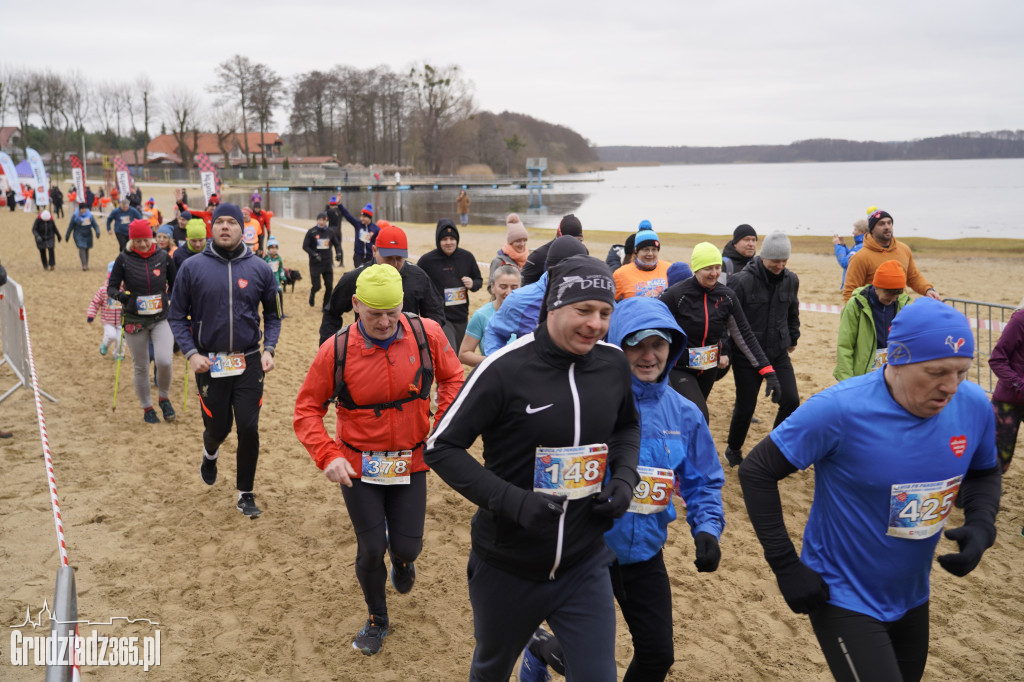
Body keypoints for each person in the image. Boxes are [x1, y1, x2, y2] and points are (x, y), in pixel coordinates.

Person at [738, 298, 1000, 682]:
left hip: (912, 595)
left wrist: (981, 524)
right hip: (842, 594)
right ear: (896, 359)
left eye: (961, 372)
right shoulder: (838, 410)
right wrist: (786, 566)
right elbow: (757, 471)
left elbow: (984, 472)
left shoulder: (974, 405)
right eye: (936, 371)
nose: (950, 387)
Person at [425, 255, 641, 682]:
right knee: (491, 670)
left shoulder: (613, 364)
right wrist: (513, 502)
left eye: (604, 313)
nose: (595, 324)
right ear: (552, 307)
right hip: (508, 565)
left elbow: (628, 426)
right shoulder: (504, 368)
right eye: (584, 311)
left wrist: (624, 477)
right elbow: (440, 447)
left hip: (585, 563)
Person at [521, 295, 726, 682]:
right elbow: (545, 468)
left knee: (657, 656)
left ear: (673, 347)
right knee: (584, 662)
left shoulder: (685, 413)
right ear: (616, 347)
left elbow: (704, 480)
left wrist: (708, 529)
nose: (649, 356)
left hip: (645, 554)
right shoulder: (586, 401)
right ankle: (540, 651)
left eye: (658, 344)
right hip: (586, 553)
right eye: (637, 345)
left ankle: (542, 649)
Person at [293, 264, 464, 656]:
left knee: (408, 548)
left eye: (393, 311)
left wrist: (440, 424)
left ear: (403, 302)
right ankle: (376, 618)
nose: (386, 322)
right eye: (375, 314)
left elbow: (453, 377)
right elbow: (306, 410)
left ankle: (402, 562)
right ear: (355, 305)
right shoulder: (335, 349)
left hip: (411, 460)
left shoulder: (427, 333)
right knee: (370, 548)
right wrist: (328, 456)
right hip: (359, 466)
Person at [168, 202, 282, 518]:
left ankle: (245, 493)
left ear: (241, 228)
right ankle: (210, 451)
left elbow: (273, 315)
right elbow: (175, 315)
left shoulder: (260, 268)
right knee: (219, 427)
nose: (225, 227)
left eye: (232, 222)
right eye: (220, 222)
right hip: (210, 363)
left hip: (248, 362)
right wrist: (191, 353)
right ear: (212, 227)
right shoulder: (191, 268)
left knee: (248, 427)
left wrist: (269, 349)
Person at [659, 242, 780, 423]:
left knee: (687, 419)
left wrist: (768, 371)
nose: (714, 273)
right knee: (700, 417)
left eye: (717, 267)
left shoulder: (727, 296)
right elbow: (653, 322)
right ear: (696, 268)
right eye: (708, 268)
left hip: (709, 369)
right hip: (680, 369)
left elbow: (744, 335)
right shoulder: (677, 294)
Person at [724, 232, 801, 467]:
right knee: (746, 407)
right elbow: (728, 321)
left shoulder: (791, 279)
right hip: (747, 355)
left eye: (784, 261)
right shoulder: (741, 281)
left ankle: (774, 447)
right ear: (764, 256)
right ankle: (734, 449)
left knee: (791, 401)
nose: (780, 265)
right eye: (775, 261)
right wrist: (726, 351)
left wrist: (792, 337)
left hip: (777, 352)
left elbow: (792, 312)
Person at [319, 223, 445, 345]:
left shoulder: (418, 277)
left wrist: (423, 343)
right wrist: (331, 348)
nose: (394, 264)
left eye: (399, 258)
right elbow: (332, 312)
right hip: (366, 349)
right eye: (388, 258)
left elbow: (435, 312)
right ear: (374, 251)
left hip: (407, 350)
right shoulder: (356, 277)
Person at [107, 219, 177, 423]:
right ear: (132, 241)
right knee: (141, 366)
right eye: (138, 241)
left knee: (165, 360)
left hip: (161, 317)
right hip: (134, 320)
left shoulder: (163, 257)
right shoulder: (123, 259)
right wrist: (123, 297)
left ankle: (164, 397)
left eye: (146, 240)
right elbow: (111, 287)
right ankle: (147, 408)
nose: (143, 245)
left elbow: (176, 284)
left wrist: (170, 298)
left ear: (151, 237)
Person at [483, 235, 588, 353]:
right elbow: (494, 331)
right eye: (569, 275)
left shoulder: (591, 298)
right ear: (550, 270)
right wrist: (500, 365)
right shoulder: (520, 298)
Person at [834, 260, 911, 381]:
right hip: (863, 376)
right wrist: (846, 381)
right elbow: (845, 346)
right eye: (889, 293)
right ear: (877, 286)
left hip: (893, 374)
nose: (892, 299)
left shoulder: (904, 305)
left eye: (897, 294)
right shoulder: (855, 306)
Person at [843, 210, 941, 303]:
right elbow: (850, 291)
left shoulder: (904, 249)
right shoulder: (860, 257)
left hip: (901, 311)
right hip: (873, 314)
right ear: (871, 229)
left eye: (889, 223)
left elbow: (913, 277)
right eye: (881, 224)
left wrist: (928, 289)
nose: (887, 227)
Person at [417, 218, 483, 350]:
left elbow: (479, 280)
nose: (449, 243)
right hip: (440, 317)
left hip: (461, 316)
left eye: (452, 239)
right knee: (449, 351)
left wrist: (473, 284)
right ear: (438, 241)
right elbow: (417, 284)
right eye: (444, 239)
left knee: (459, 354)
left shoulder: (467, 257)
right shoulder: (427, 261)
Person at [989, 294, 1024, 481]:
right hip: (1009, 401)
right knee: (997, 461)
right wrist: (1019, 384)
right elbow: (997, 359)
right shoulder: (1020, 319)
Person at [459, 264, 521, 367]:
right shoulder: (481, 315)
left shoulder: (529, 314)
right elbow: (464, 354)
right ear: (492, 287)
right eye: (503, 287)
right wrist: (492, 361)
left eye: (514, 287)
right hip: (494, 377)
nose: (509, 292)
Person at [519, 214, 584, 286]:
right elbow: (523, 288)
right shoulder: (538, 256)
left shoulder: (582, 251)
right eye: (567, 241)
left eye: (579, 241)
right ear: (558, 236)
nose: (574, 245)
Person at [613, 226, 671, 300]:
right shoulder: (620, 274)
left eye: (654, 250)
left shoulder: (669, 269)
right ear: (636, 251)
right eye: (645, 249)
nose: (650, 254)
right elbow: (610, 302)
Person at [303, 212, 343, 310]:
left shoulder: (330, 232)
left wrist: (338, 253)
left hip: (327, 263)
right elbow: (305, 246)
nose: (321, 222)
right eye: (320, 220)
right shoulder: (311, 232)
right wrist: (314, 254)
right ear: (317, 220)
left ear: (326, 221)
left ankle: (325, 306)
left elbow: (337, 244)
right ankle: (312, 293)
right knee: (317, 286)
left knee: (329, 286)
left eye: (323, 220)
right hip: (315, 263)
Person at [87, 263, 124, 357]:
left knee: (121, 339)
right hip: (108, 320)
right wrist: (91, 315)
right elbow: (95, 303)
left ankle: (118, 354)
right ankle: (105, 345)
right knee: (111, 335)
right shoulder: (103, 290)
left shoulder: (125, 291)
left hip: (121, 321)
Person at [338, 201, 379, 268]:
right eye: (361, 216)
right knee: (359, 276)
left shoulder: (376, 229)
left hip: (371, 258)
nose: (361, 218)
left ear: (369, 218)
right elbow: (348, 215)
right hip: (358, 257)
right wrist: (339, 205)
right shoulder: (358, 224)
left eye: (364, 217)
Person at [489, 213, 529, 278]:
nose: (522, 244)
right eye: (518, 241)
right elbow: (491, 286)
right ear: (511, 243)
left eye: (524, 240)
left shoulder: (528, 259)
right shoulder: (498, 261)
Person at [833, 217, 868, 289]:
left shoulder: (861, 246)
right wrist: (843, 245)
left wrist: (838, 246)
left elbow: (845, 263)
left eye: (855, 230)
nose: (853, 232)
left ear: (862, 231)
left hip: (853, 286)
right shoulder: (861, 244)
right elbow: (852, 256)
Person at [65, 204, 101, 271]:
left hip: (88, 234)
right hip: (78, 234)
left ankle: (86, 264)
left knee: (87, 249)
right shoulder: (75, 216)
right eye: (82, 209)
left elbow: (95, 224)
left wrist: (97, 231)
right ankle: (84, 265)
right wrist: (67, 235)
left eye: (85, 208)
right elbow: (70, 226)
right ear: (80, 209)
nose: (84, 210)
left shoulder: (89, 215)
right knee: (82, 248)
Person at [264, 237, 287, 319]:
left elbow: (281, 268)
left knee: (280, 296)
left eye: (275, 248)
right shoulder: (266, 259)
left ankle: (281, 313)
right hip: (268, 282)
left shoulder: (278, 258)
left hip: (277, 281)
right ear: (268, 248)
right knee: (270, 298)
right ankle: (271, 313)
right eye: (272, 248)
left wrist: (283, 278)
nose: (274, 250)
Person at [324, 196, 345, 266]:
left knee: (329, 247)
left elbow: (324, 217)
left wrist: (326, 208)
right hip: (338, 230)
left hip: (331, 230)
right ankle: (341, 263)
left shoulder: (329, 211)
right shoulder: (340, 211)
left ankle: (332, 263)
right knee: (339, 246)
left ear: (330, 204)